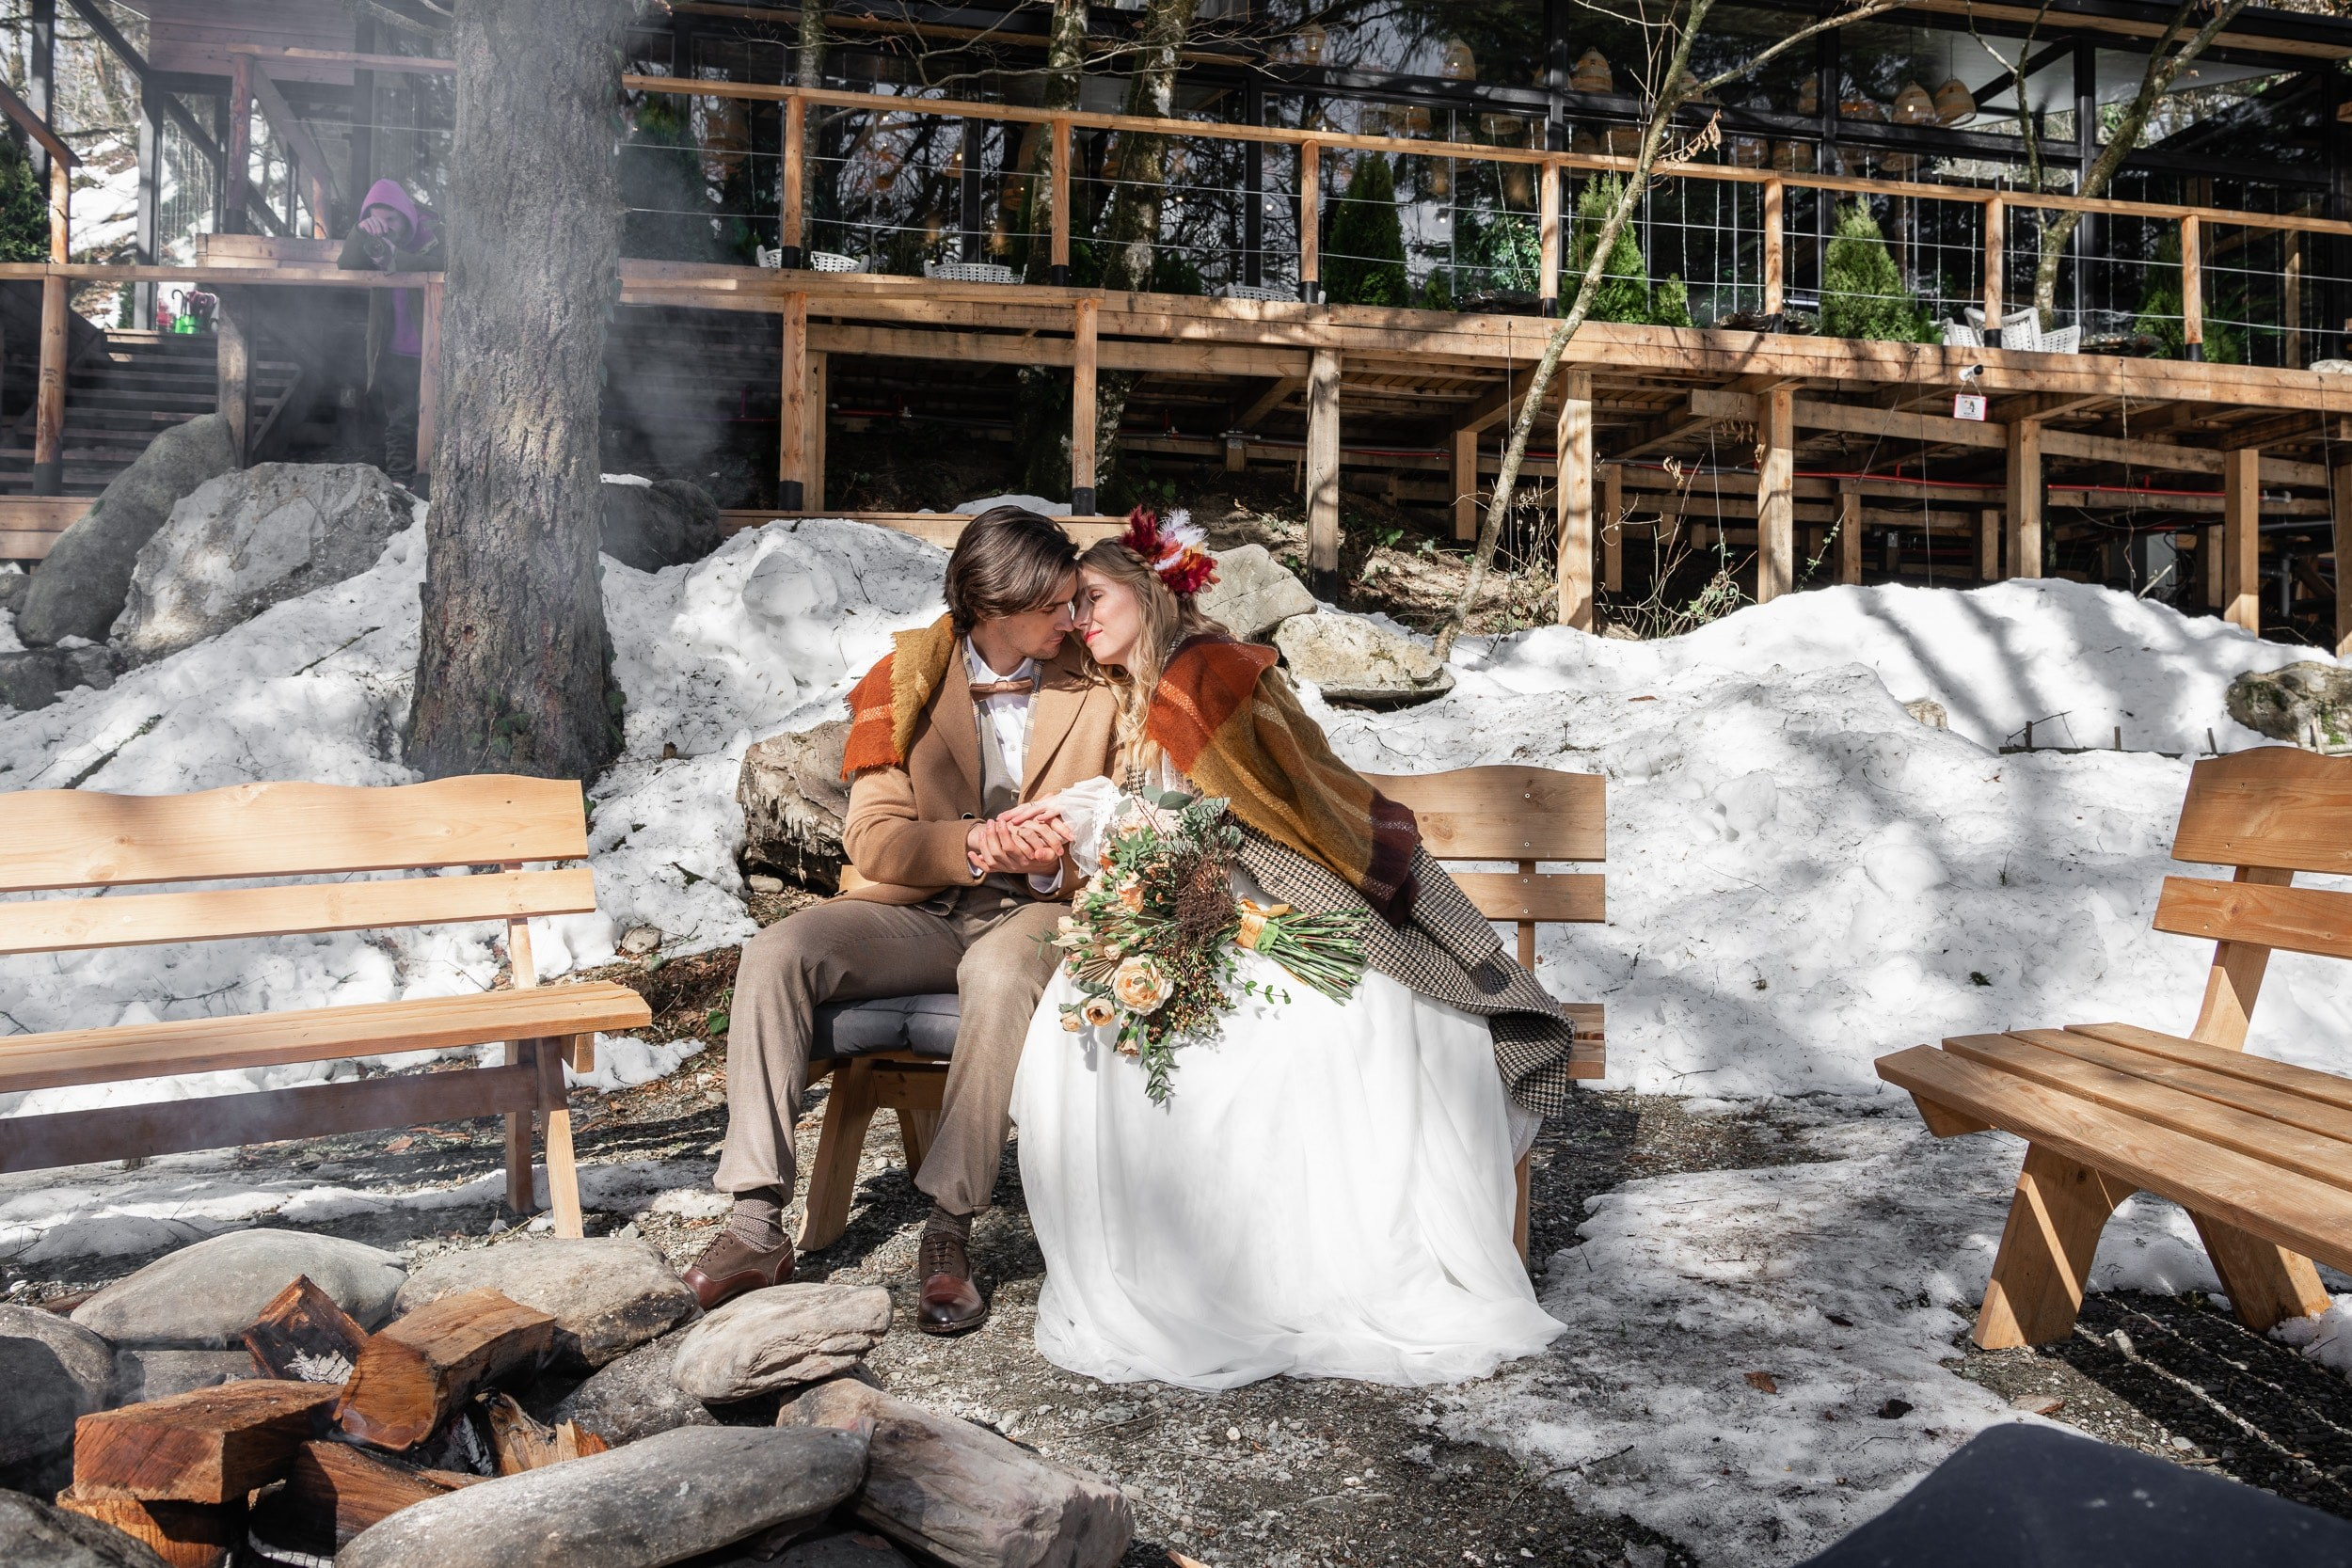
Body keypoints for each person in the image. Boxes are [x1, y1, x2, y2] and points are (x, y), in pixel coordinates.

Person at [1004, 515, 1573, 1388]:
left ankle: (1250, 1272)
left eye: (1094, 596)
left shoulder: (1210, 673)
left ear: (1151, 588)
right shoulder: (1156, 681)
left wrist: (1132, 836)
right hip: (1214, 904)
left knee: (1252, 1046)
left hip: (1275, 904)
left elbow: (1261, 809)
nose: (1080, 617)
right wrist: (1085, 820)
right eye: (1072, 605)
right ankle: (1193, 1264)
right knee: (1085, 1022)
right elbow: (1162, 806)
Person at [684, 506, 1120, 1335]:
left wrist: (1056, 858)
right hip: (923, 909)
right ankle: (753, 1220)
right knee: (777, 949)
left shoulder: (1097, 684)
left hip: (1038, 912)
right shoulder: (905, 679)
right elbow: (874, 839)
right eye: (1054, 606)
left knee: (996, 973)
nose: (1072, 619)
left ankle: (950, 1229)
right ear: (995, 605)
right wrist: (977, 845)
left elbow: (1131, 812)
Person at [337, 179, 444, 493]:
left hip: (434, 349)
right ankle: (399, 482)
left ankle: (430, 482)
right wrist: (361, 233)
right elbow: (346, 263)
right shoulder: (372, 243)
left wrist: (396, 258)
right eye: (379, 220)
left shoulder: (434, 236)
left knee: (437, 418)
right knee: (399, 420)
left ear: (408, 216)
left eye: (392, 219)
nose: (387, 228)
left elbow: (445, 267)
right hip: (394, 351)